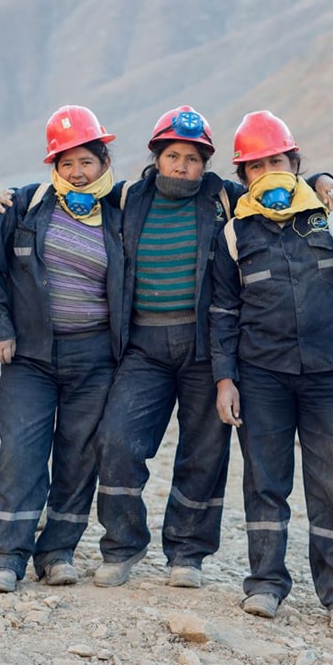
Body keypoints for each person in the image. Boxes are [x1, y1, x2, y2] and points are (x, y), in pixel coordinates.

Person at [209, 110, 333, 634]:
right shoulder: (234, 232)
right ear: (243, 176)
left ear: (296, 161)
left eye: (277, 159)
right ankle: (266, 584)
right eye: (256, 166)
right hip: (262, 376)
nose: (269, 171)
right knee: (265, 482)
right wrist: (225, 378)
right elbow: (223, 311)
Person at [0, 105, 125, 593]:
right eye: (66, 163)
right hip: (29, 358)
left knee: (79, 457)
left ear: (104, 161)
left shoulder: (124, 211)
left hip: (95, 358)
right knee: (19, 453)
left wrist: (320, 180)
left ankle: (57, 552)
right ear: (53, 167)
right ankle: (7, 555)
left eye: (87, 161)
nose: (78, 173)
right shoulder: (25, 206)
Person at [90, 106, 245, 588]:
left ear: (206, 164)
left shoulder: (225, 199)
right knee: (117, 440)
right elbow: (68, 196)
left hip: (204, 346)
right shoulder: (127, 198)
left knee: (203, 452)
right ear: (156, 156)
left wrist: (322, 179)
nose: (182, 166)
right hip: (143, 346)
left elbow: (280, 190)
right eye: (173, 155)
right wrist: (10, 197)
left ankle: (187, 555)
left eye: (194, 159)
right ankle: (122, 546)